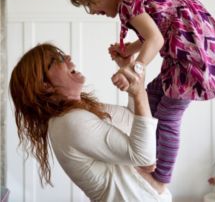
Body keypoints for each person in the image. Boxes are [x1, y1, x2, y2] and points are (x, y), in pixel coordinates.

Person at [68, 0, 215, 187]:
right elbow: (159, 27)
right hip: (189, 52)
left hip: (190, 57)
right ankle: (148, 159)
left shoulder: (129, 4)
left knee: (169, 115)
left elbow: (155, 39)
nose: (92, 11)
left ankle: (160, 177)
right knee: (150, 99)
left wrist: (134, 69)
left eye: (90, 4)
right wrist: (130, 49)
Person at [9, 43, 172, 202]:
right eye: (56, 59)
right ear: (45, 86)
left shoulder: (77, 112)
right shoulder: (69, 122)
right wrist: (138, 90)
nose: (67, 57)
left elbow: (130, 118)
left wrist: (128, 68)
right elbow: (144, 156)